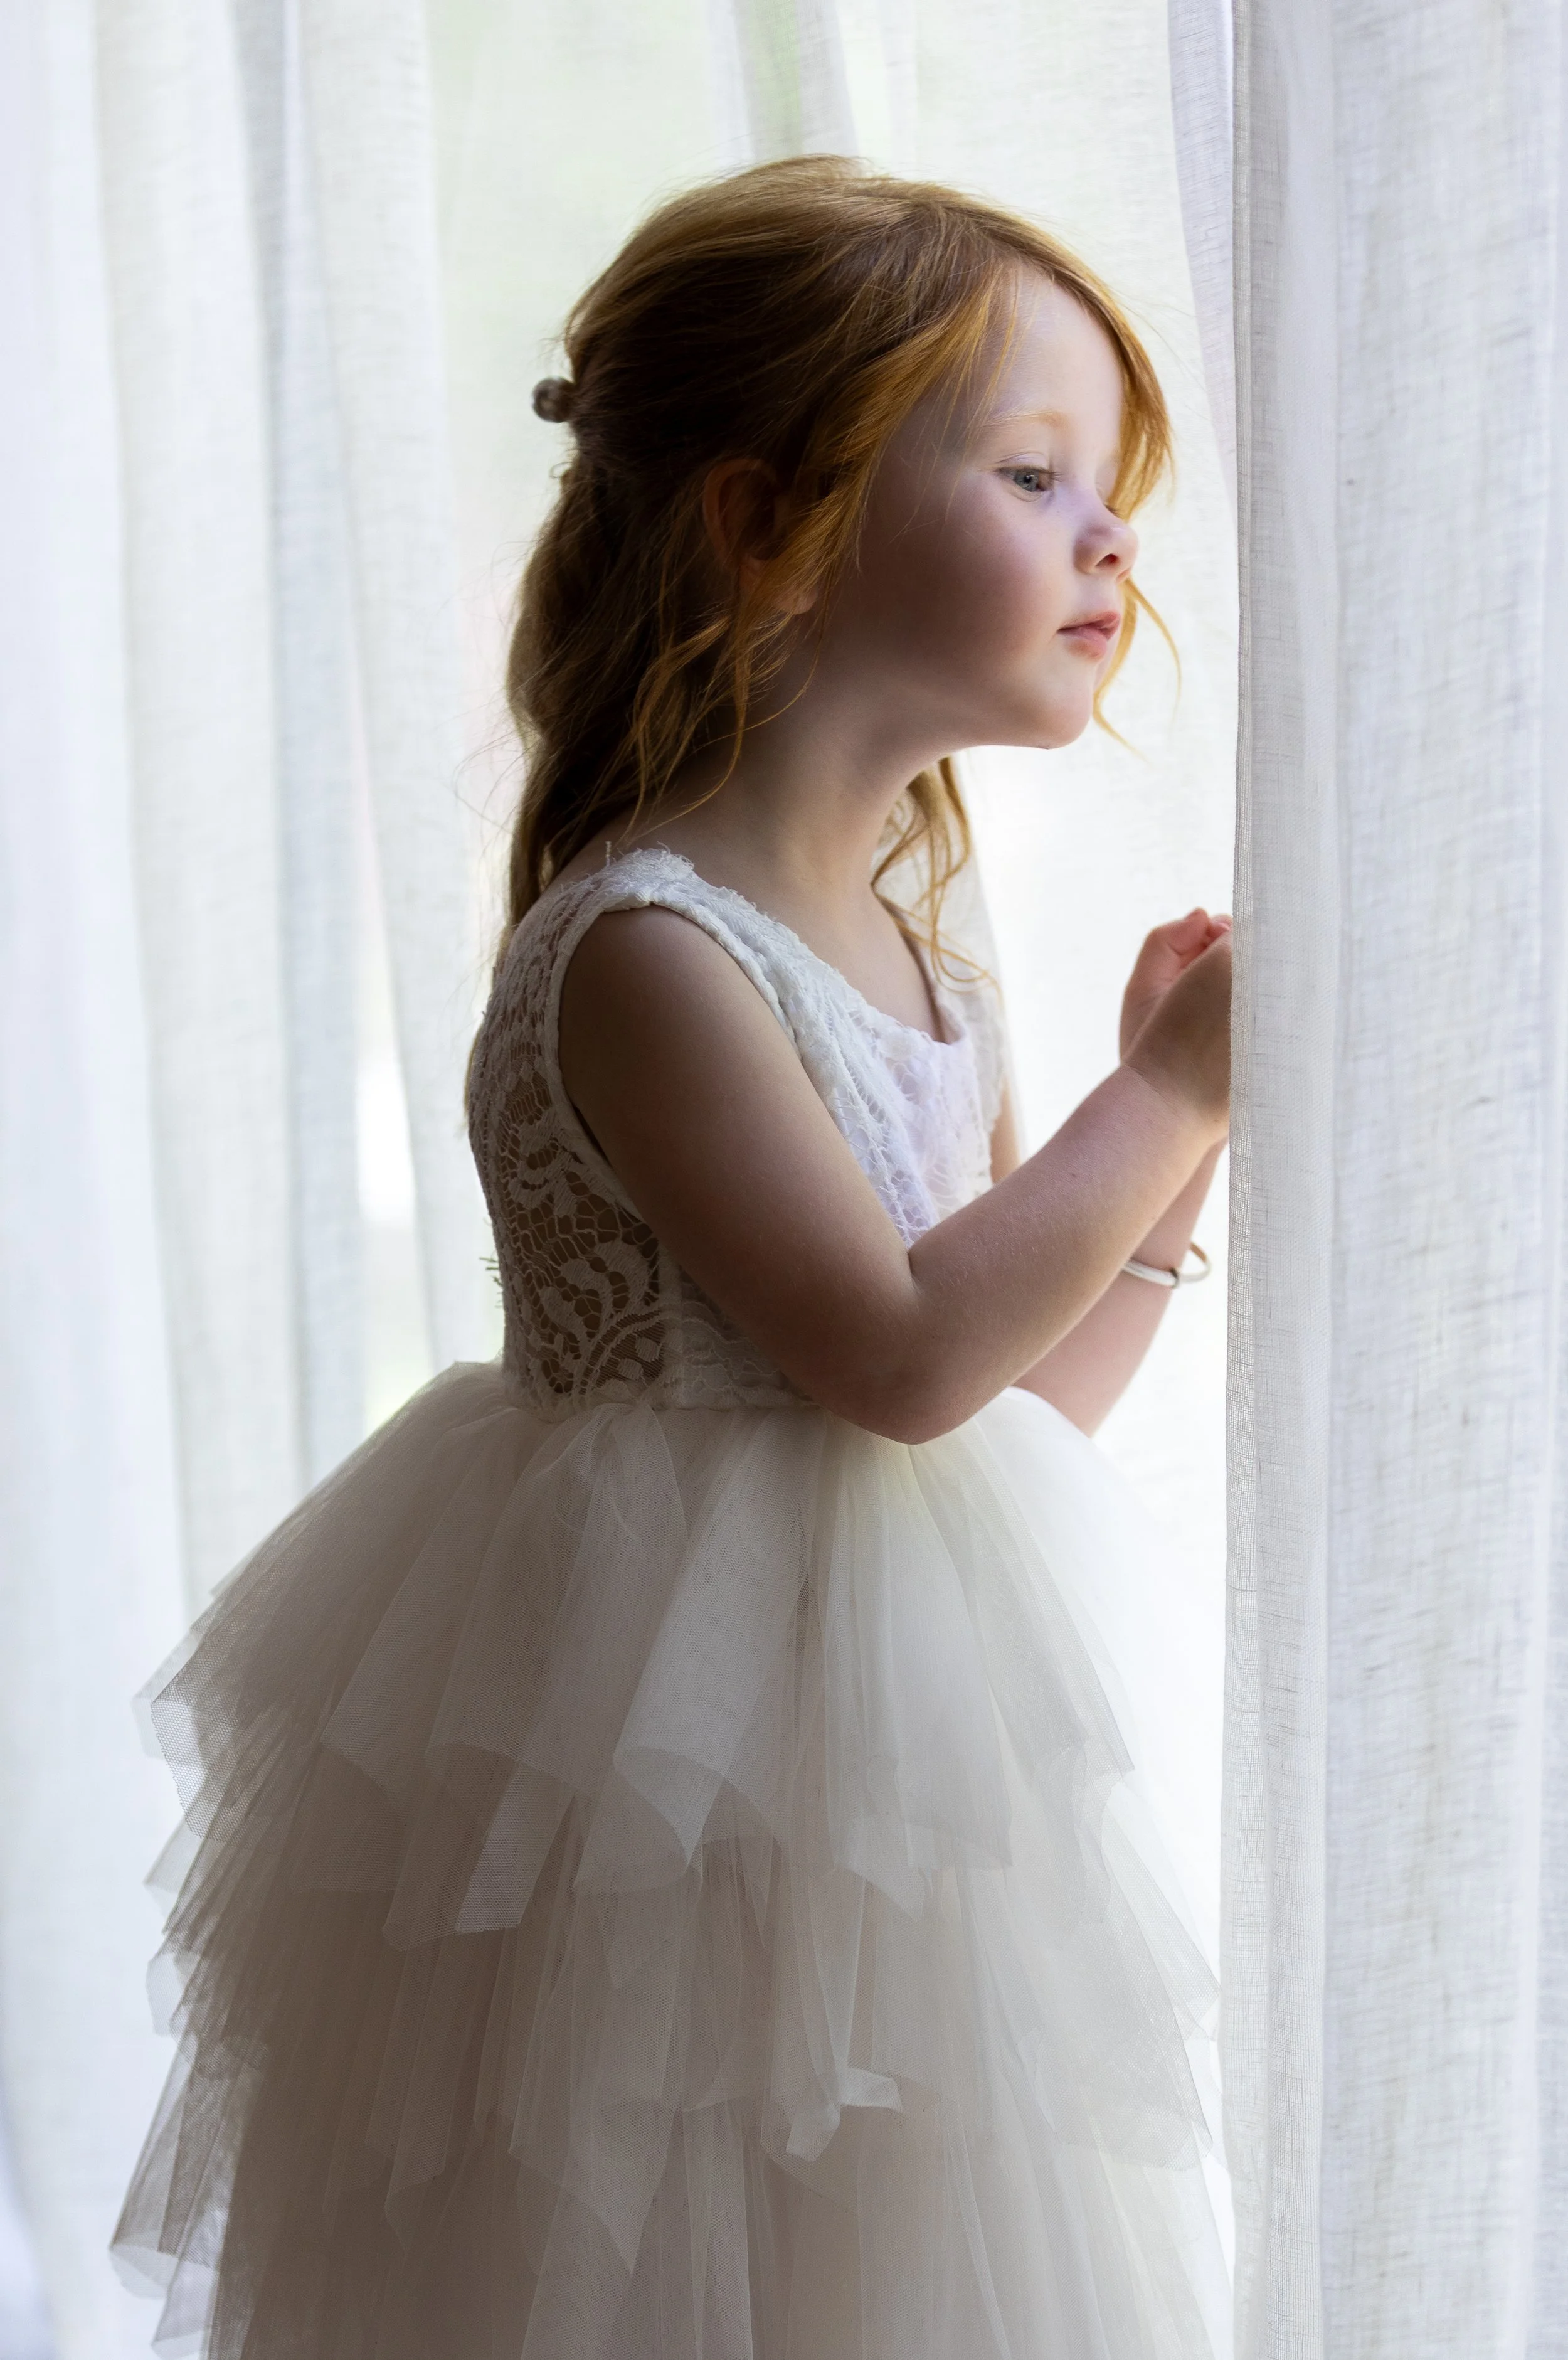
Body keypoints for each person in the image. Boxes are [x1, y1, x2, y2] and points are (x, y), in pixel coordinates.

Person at [114, 156, 1232, 2358]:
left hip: (883, 1813)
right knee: (654, 2256)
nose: (1108, 542)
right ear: (764, 525)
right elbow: (893, 1359)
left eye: (1110, 492)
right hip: (659, 1796)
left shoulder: (928, 945)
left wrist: (1155, 1179)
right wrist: (1169, 1098)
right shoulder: (649, 951)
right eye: (1032, 476)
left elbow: (999, 1430)